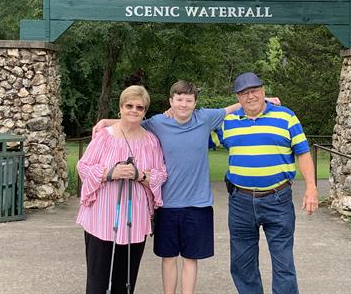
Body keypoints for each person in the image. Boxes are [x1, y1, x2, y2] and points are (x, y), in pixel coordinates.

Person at [94, 80, 244, 294]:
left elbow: (232, 108)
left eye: (189, 100)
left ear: (195, 103)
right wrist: (106, 122)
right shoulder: (157, 122)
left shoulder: (205, 118)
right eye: (179, 99)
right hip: (166, 204)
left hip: (198, 204)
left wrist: (265, 100)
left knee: (191, 258)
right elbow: (132, 121)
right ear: (171, 101)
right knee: (169, 257)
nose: (184, 104)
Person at [214, 72, 318, 294]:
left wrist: (311, 188)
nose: (250, 96)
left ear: (263, 92)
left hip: (277, 200)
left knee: (283, 264)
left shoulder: (286, 117)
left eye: (254, 91)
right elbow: (194, 126)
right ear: (237, 98)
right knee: (242, 264)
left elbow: (303, 153)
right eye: (244, 93)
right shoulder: (228, 123)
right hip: (240, 202)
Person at [77, 85, 167, 294]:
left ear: (145, 111)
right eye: (129, 106)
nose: (134, 111)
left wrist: (140, 175)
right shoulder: (104, 136)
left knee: (125, 278)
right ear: (121, 108)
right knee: (97, 278)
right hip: (101, 215)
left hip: (134, 218)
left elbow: (161, 174)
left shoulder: (151, 141)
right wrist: (110, 173)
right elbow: (83, 166)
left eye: (139, 107)